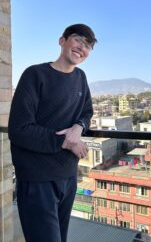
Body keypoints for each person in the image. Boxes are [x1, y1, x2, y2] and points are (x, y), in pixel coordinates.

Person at [8, 24, 97, 242]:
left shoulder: (80, 77)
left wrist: (79, 127)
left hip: (68, 177)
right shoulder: (35, 74)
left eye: (88, 46)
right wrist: (66, 142)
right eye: (78, 40)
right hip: (37, 179)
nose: (82, 48)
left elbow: (87, 111)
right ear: (62, 41)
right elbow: (19, 130)